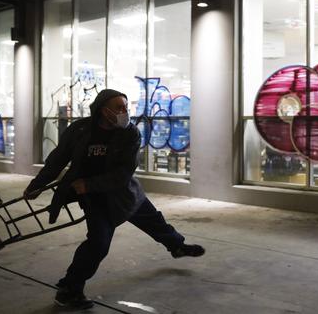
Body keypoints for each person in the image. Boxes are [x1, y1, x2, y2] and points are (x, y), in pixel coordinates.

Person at [23, 89, 204, 310]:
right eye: (119, 107)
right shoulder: (79, 130)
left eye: (126, 107)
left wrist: (88, 184)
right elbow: (57, 159)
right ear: (103, 110)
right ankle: (70, 289)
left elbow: (123, 173)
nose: (124, 112)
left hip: (126, 193)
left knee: (155, 222)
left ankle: (177, 246)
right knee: (98, 244)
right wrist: (37, 185)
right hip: (96, 200)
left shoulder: (130, 134)